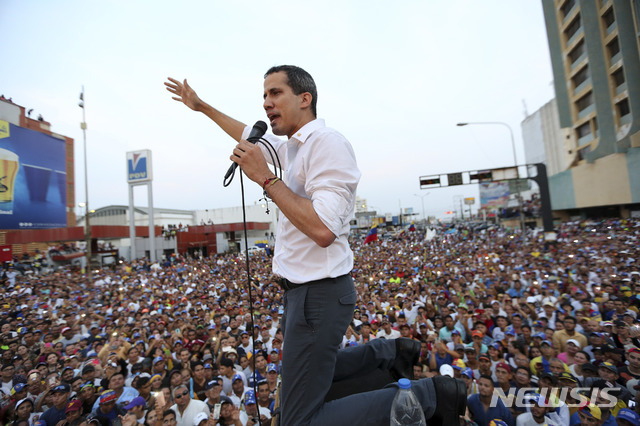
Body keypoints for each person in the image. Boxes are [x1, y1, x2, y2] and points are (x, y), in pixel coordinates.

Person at [165, 66, 465, 425]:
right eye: (263, 96)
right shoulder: (289, 148)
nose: (266, 103)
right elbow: (247, 132)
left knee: (298, 419)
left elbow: (323, 229)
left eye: (275, 93)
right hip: (301, 293)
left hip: (318, 294)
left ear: (304, 98)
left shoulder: (327, 145)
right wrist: (201, 107)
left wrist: (264, 177)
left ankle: (430, 395)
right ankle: (391, 352)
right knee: (306, 375)